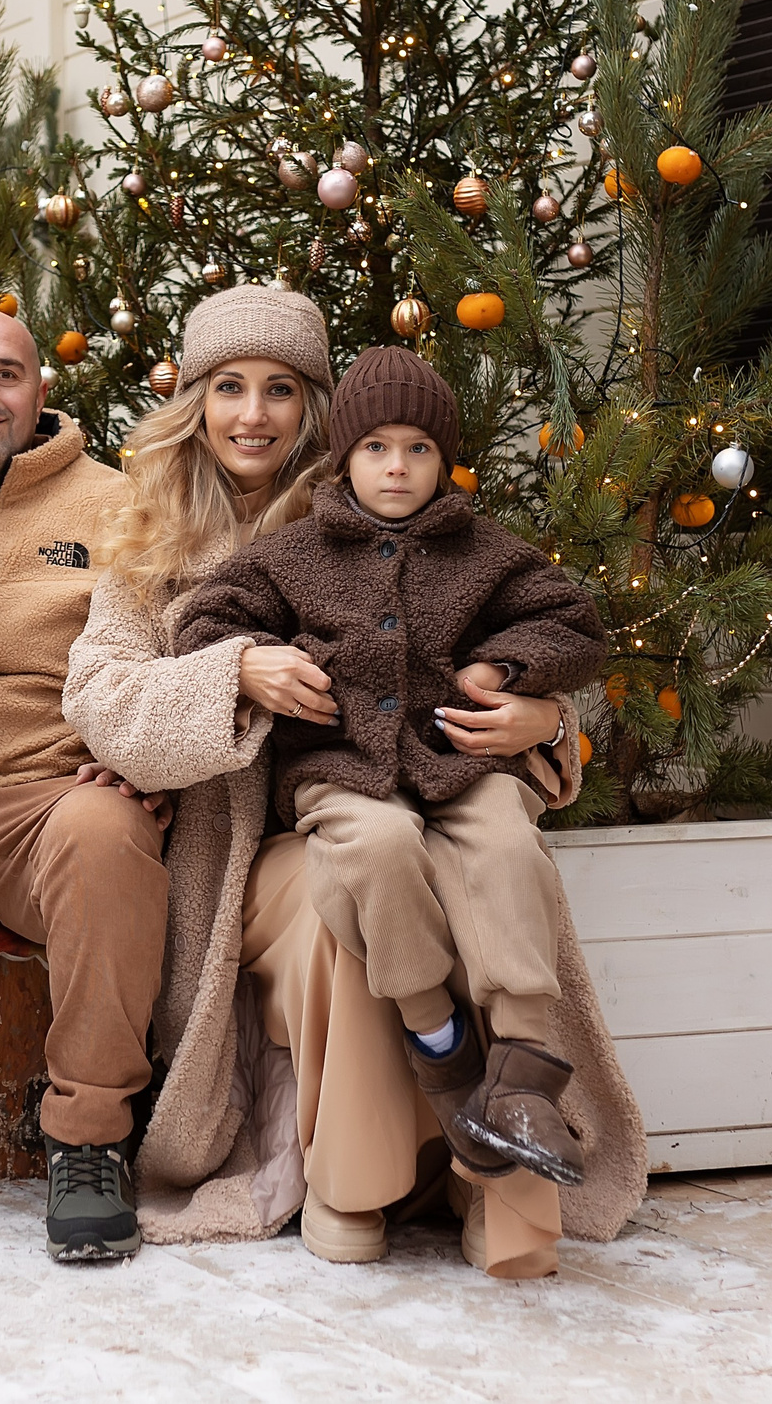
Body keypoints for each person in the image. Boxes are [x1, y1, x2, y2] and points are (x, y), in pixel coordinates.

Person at [61, 287, 647, 1278]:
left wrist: (543, 718)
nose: (253, 413)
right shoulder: (149, 541)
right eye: (230, 388)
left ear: (319, 412)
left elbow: (512, 654)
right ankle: (351, 1188)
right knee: (347, 897)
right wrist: (232, 675)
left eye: (280, 390)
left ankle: (511, 1205)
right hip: (251, 847)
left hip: (426, 801)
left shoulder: (391, 506)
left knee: (489, 861)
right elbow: (99, 695)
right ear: (195, 402)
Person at [173, 346, 609, 1191]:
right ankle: (439, 1042)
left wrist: (508, 670)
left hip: (457, 759)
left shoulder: (485, 550)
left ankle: (523, 1073)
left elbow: (573, 622)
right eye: (376, 448)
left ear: (445, 461)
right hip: (340, 769)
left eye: (418, 449)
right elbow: (205, 622)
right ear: (344, 457)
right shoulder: (295, 552)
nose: (398, 467)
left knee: (508, 844)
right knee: (377, 851)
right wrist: (259, 660)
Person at [0, 306, 171, 1261]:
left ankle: (90, 1140)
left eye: (8, 373)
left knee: (107, 831)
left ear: (41, 388)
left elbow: (165, 645)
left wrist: (138, 751)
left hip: (48, 805)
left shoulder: (117, 504)